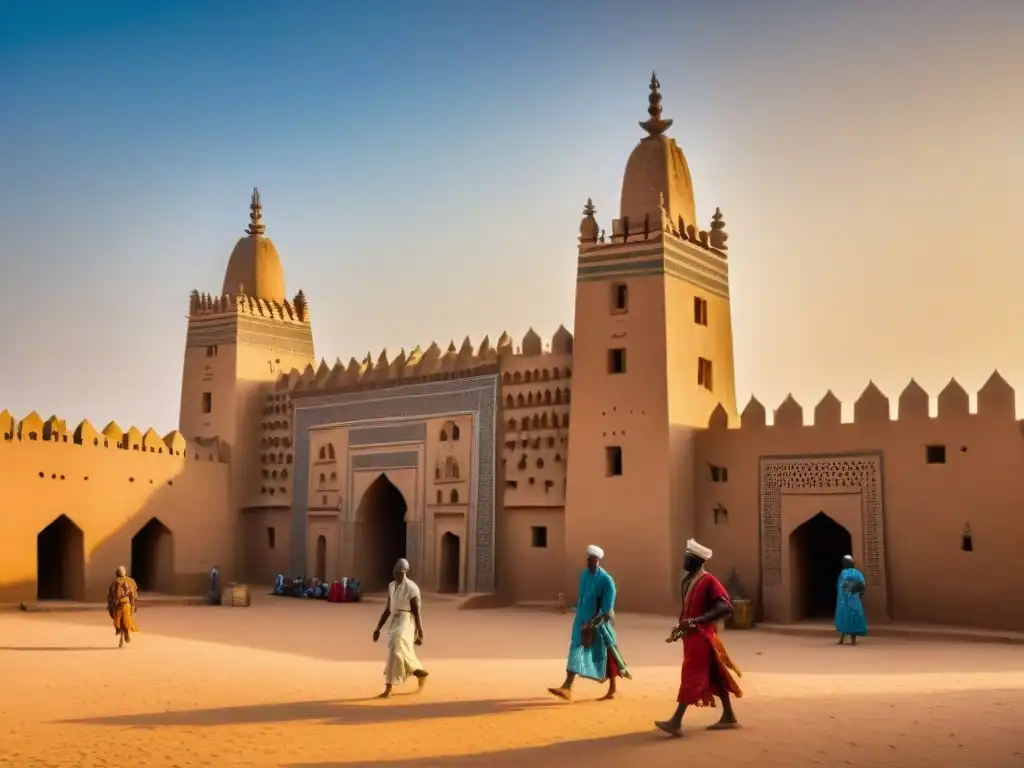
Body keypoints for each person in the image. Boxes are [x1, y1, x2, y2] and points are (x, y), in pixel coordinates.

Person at [655, 539, 743, 737]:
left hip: (702, 636)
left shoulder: (709, 581)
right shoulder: (687, 581)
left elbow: (725, 606)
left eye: (688, 558)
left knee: (691, 675)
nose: (684, 560)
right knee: (715, 675)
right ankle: (729, 716)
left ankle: (676, 722)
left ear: (697, 561)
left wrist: (697, 620)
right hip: (691, 635)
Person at [547, 544, 630, 702]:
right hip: (581, 622)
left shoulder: (606, 581)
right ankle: (567, 686)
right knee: (575, 650)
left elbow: (607, 610)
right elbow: (583, 600)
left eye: (593, 559)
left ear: (598, 560)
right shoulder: (584, 575)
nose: (589, 562)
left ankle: (613, 689)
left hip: (599, 625)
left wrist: (593, 623)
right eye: (588, 559)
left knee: (608, 654)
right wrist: (570, 608)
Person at [371, 558, 429, 698]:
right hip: (394, 620)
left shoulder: (412, 588)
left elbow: (416, 612)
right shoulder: (391, 586)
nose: (397, 571)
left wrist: (420, 632)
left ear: (405, 571)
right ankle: (418, 671)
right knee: (401, 650)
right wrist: (378, 628)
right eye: (395, 568)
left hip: (406, 620)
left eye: (400, 569)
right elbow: (387, 609)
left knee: (395, 648)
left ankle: (388, 689)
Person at [835, 555, 868, 645]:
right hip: (855, 600)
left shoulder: (843, 573)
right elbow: (862, 585)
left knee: (844, 619)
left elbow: (841, 586)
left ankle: (841, 639)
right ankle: (853, 640)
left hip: (844, 601)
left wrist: (847, 589)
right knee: (854, 618)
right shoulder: (857, 573)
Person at [107, 566, 140, 649]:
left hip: (118, 606)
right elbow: (135, 595)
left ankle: (121, 634)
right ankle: (126, 633)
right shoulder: (131, 581)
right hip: (128, 605)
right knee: (127, 620)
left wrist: (111, 606)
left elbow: (111, 596)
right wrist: (134, 604)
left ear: (116, 573)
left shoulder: (114, 582)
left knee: (119, 621)